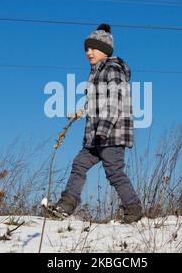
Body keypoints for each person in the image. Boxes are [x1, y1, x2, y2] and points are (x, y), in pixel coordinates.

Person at [53, 23, 142, 224]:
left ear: (106, 50)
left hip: (112, 134)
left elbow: (115, 102)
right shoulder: (95, 73)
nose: (88, 52)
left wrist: (102, 130)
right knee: (79, 164)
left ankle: (133, 208)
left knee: (114, 172)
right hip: (96, 137)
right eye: (86, 48)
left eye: (93, 48)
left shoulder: (113, 70)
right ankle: (66, 204)